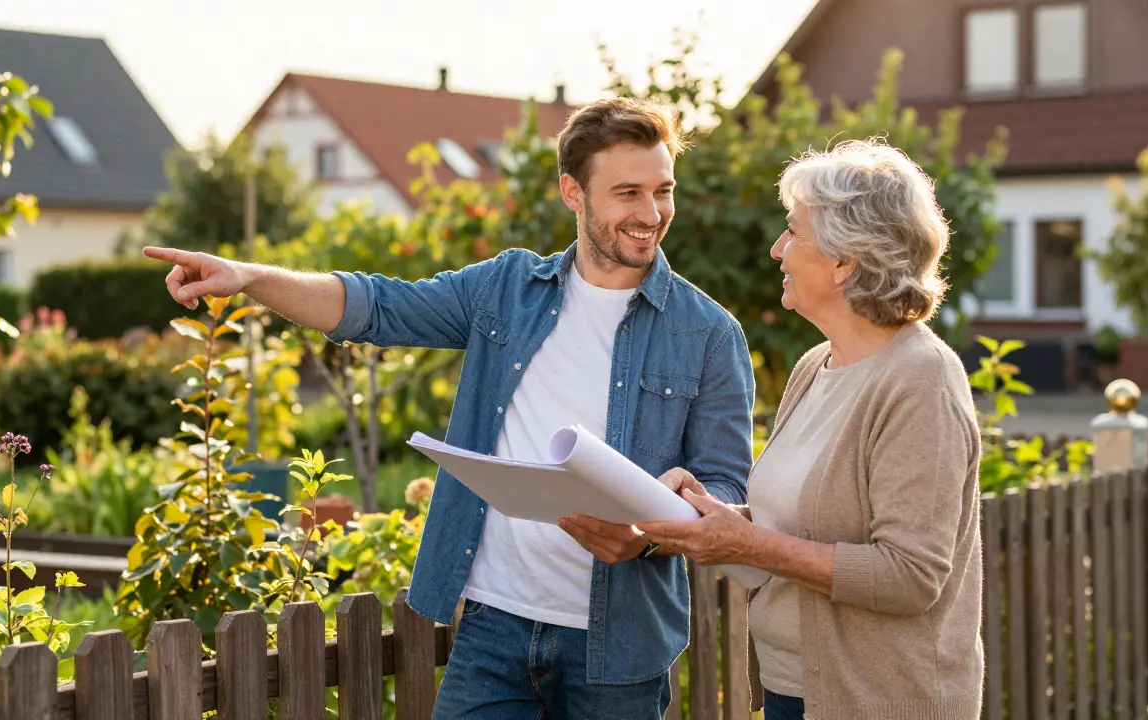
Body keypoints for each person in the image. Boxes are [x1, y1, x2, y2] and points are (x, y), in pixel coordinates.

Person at [143, 96, 755, 718]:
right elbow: (375, 306)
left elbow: (727, 489)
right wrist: (249, 277)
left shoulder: (709, 333)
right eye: (628, 193)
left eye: (663, 191)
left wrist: (648, 538)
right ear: (573, 192)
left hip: (621, 648)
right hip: (494, 627)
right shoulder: (506, 289)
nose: (651, 213)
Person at [640, 138, 985, 720]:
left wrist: (748, 543)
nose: (778, 250)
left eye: (793, 233)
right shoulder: (815, 365)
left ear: (845, 260)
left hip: (880, 702)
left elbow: (910, 575)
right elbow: (797, 525)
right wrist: (710, 519)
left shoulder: (920, 381)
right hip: (792, 691)